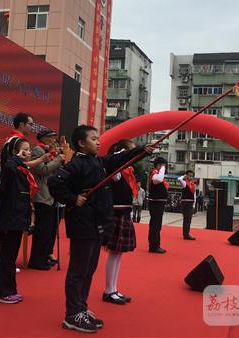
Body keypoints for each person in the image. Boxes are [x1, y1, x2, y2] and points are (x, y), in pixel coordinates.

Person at [49, 125, 152, 333]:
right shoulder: (76, 165)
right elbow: (54, 183)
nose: (98, 142)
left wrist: (142, 150)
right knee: (78, 271)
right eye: (94, 139)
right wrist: (72, 198)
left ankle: (81, 308)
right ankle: (72, 314)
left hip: (96, 225)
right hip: (82, 225)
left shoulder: (99, 162)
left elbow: (119, 158)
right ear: (81, 143)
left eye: (98, 138)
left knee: (89, 270)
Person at [0, 138, 36, 303]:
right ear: (14, 152)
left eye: (29, 149)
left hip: (17, 219)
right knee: (6, 257)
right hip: (9, 220)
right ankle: (1, 292)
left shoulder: (21, 170)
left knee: (10, 257)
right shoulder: (10, 169)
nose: (28, 152)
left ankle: (10, 289)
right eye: (24, 149)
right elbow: (9, 167)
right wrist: (17, 158)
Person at [103, 139, 140, 306]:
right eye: (130, 151)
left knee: (118, 254)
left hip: (124, 211)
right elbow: (114, 165)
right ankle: (108, 290)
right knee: (114, 252)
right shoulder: (116, 167)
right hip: (116, 212)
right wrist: (120, 154)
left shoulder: (127, 169)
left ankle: (113, 288)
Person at [28, 129, 68, 270]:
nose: (54, 140)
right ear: (44, 138)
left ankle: (45, 256)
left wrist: (60, 158)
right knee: (42, 230)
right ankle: (36, 261)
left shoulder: (50, 151)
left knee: (49, 230)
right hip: (42, 195)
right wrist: (57, 160)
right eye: (51, 137)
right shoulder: (38, 150)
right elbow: (42, 170)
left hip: (51, 195)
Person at [148, 157, 169, 253]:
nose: (165, 168)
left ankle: (156, 244)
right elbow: (159, 180)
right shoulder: (154, 173)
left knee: (157, 224)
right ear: (158, 165)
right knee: (155, 224)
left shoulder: (158, 174)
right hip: (155, 202)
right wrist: (162, 168)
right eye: (164, 165)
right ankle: (153, 245)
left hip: (159, 202)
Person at [178, 170, 197, 240]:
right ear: (186, 176)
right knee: (187, 219)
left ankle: (186, 233)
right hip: (185, 203)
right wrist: (184, 176)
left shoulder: (193, 185)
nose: (191, 177)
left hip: (190, 203)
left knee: (188, 219)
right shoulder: (184, 183)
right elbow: (179, 179)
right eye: (189, 175)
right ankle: (186, 234)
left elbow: (194, 195)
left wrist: (194, 205)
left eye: (192, 176)